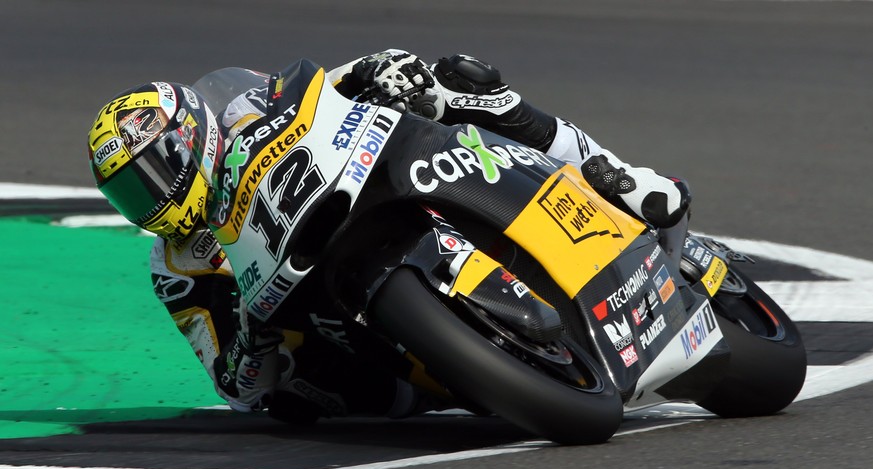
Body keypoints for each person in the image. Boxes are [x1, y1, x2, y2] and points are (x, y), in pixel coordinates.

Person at [86, 49, 690, 422]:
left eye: (154, 174)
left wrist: (374, 71)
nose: (151, 198)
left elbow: (319, 92)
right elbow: (234, 388)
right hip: (339, 337)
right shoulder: (176, 268)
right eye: (130, 194)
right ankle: (466, 360)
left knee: (458, 84)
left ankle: (620, 179)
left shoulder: (244, 108)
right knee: (294, 400)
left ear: (191, 136)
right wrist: (252, 337)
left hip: (351, 198)